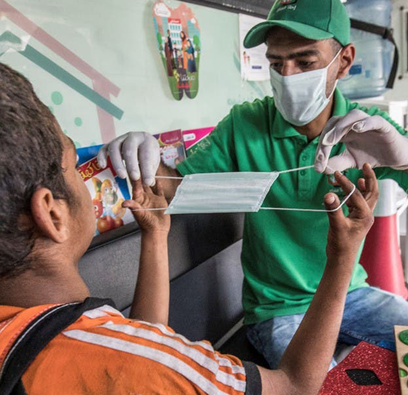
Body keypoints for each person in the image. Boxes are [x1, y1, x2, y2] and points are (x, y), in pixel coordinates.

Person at [99, 0, 408, 368]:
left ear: (343, 60)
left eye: (305, 61)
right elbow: (171, 188)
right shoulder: (245, 126)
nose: (288, 76)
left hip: (353, 294)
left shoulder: (369, 130)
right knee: (320, 386)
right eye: (277, 63)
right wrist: (143, 156)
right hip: (278, 309)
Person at [0, 62, 378, 394]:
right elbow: (295, 386)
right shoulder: (165, 369)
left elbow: (136, 345)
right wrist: (343, 255)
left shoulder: (43, 335)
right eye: (72, 164)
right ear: (52, 215)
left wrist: (155, 236)